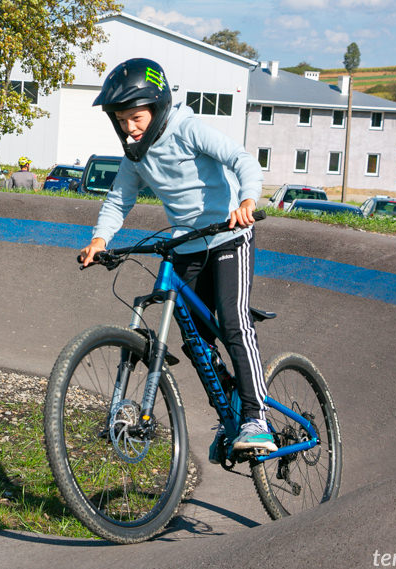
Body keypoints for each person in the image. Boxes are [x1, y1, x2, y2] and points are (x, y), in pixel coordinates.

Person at [79, 58, 276, 460]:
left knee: (233, 322)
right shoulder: (136, 155)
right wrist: (100, 238)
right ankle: (229, 409)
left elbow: (242, 160)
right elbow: (120, 197)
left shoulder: (188, 129)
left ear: (158, 107)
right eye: (121, 120)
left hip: (228, 236)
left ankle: (258, 418)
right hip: (186, 244)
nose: (129, 128)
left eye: (135, 118)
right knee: (195, 340)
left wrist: (246, 201)